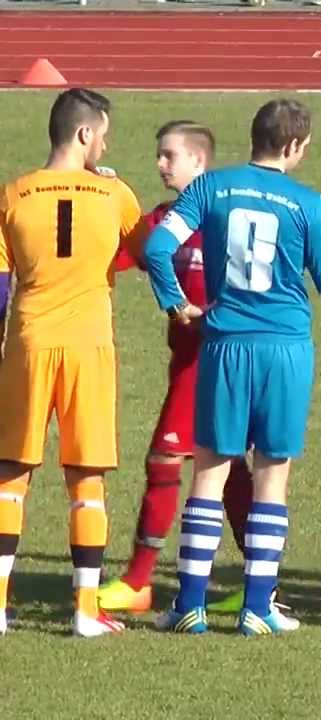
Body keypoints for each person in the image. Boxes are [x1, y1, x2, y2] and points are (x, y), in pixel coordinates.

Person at [145, 98, 321, 636]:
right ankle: (257, 608)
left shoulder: (209, 187)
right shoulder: (305, 202)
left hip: (223, 344)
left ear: (254, 137)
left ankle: (189, 604)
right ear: (294, 147)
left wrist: (175, 300)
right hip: (284, 350)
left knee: (210, 473)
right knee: (271, 475)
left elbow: (157, 247)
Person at [96, 121, 261, 616]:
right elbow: (119, 251)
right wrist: (100, 192)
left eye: (170, 156)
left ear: (199, 162)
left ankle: (139, 580)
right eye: (159, 155)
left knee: (166, 461)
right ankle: (260, 582)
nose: (161, 165)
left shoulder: (225, 218)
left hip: (216, 362)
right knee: (229, 469)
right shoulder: (165, 220)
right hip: (187, 362)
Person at [0, 88, 148, 637]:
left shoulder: (14, 194)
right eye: (103, 133)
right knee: (87, 478)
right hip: (89, 344)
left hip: (29, 341)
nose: (105, 143)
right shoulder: (114, 195)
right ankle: (86, 610)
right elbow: (144, 251)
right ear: (85, 134)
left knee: (10, 474)